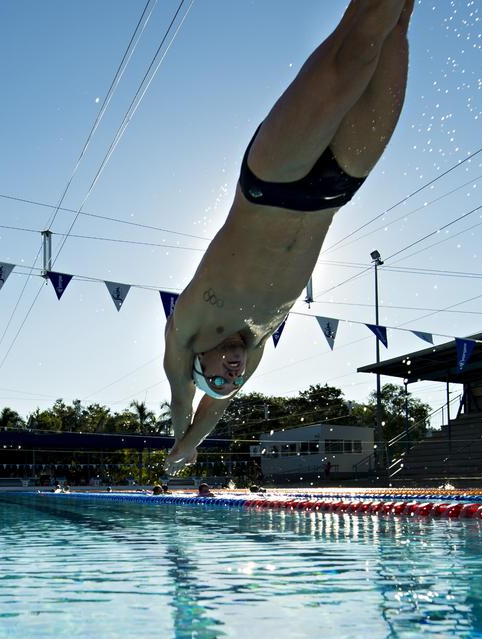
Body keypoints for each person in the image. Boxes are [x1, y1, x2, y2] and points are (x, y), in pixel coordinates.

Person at [164, 0, 413, 473]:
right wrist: (204, 426)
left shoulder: (187, 332)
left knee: (356, 51)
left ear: (199, 364)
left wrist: (183, 443)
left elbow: (188, 402)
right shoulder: (255, 346)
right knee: (397, 33)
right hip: (334, 190)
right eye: (230, 384)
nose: (230, 376)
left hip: (272, 180)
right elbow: (220, 400)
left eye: (217, 378)